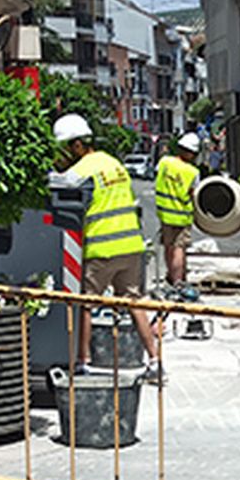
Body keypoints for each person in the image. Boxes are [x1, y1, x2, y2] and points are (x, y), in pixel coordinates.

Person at [53, 114, 163, 383]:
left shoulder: (85, 167)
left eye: (66, 149)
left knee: (87, 304)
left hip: (102, 248)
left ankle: (83, 362)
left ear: (77, 145)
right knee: (134, 302)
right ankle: (154, 360)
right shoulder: (113, 163)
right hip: (131, 246)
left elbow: (61, 182)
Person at [154, 133, 201, 291]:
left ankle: (170, 275)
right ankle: (178, 282)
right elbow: (193, 193)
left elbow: (157, 176)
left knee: (168, 246)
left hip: (164, 214)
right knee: (179, 248)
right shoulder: (193, 172)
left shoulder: (164, 162)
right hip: (182, 215)